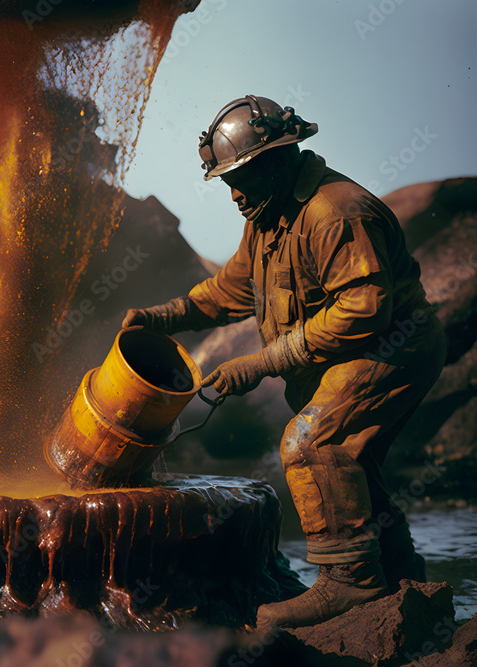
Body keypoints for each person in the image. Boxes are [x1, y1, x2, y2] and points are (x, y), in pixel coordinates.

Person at [123, 96, 445, 629]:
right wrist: (163, 318)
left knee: (312, 443)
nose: (232, 194)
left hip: (392, 348)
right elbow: (231, 289)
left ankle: (352, 586)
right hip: (355, 352)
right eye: (226, 181)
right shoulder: (267, 212)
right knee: (354, 459)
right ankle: (398, 572)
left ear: (277, 158)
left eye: (238, 178)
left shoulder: (334, 213)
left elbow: (365, 307)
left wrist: (265, 361)